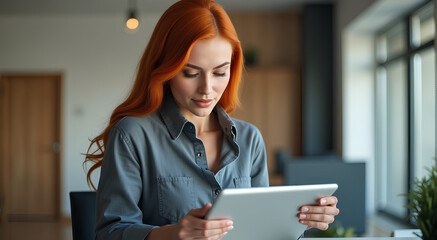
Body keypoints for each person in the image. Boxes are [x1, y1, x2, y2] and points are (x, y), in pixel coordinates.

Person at [84, 0, 340, 239]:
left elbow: (260, 232)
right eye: (190, 73)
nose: (207, 89)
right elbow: (110, 232)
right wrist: (172, 234)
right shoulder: (132, 135)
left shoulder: (250, 139)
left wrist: (298, 218)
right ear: (165, 69)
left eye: (220, 72)